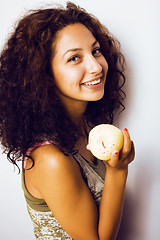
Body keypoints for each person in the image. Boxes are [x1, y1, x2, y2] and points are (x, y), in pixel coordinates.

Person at [0, 2, 135, 239]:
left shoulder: (86, 126)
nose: (95, 66)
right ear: (44, 74)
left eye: (95, 51)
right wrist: (119, 170)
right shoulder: (50, 159)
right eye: (74, 58)